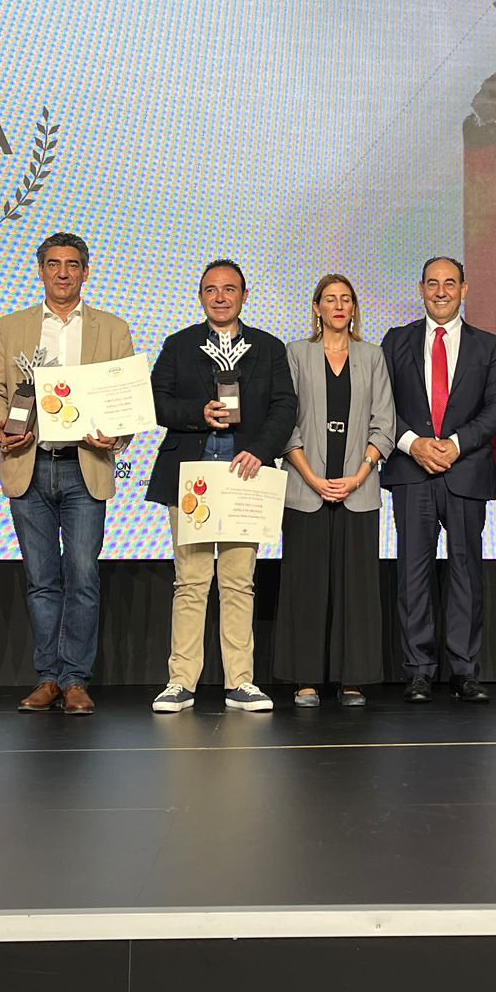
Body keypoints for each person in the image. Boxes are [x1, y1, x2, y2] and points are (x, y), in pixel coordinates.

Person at [0, 234, 134, 717]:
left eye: (73, 265)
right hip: (29, 465)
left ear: (86, 272)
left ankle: (75, 680)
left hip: (83, 468)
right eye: (54, 265)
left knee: (84, 576)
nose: (63, 273)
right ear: (41, 271)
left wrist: (115, 436)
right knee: (41, 579)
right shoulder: (13, 326)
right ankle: (47, 677)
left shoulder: (113, 329)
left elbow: (125, 397)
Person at [146, 260, 297, 714]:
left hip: (243, 475)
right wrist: (199, 411)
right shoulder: (179, 345)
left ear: (244, 296)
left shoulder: (268, 348)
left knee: (238, 582)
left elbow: (285, 406)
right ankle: (181, 681)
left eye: (229, 289)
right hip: (193, 475)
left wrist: (260, 449)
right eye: (211, 289)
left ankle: (241, 681)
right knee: (190, 581)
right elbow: (156, 401)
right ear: (200, 296)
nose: (220, 296)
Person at [381, 257, 496, 703]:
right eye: (432, 283)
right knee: (412, 573)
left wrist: (455, 444)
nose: (441, 291)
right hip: (410, 472)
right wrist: (412, 443)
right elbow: (379, 406)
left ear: (464, 289)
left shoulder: (489, 346)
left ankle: (463, 669)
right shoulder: (395, 341)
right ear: (420, 289)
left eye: (449, 283)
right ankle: (418, 669)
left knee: (466, 573)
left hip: (466, 470)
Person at [277, 275, 394, 706]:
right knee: (305, 584)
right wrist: (311, 476)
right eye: (330, 299)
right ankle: (305, 676)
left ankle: (352, 677)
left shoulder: (373, 356)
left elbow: (385, 423)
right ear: (316, 308)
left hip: (357, 489)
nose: (339, 306)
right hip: (306, 487)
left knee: (356, 588)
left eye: (346, 299)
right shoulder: (296, 354)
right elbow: (285, 421)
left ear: (354, 308)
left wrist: (359, 475)